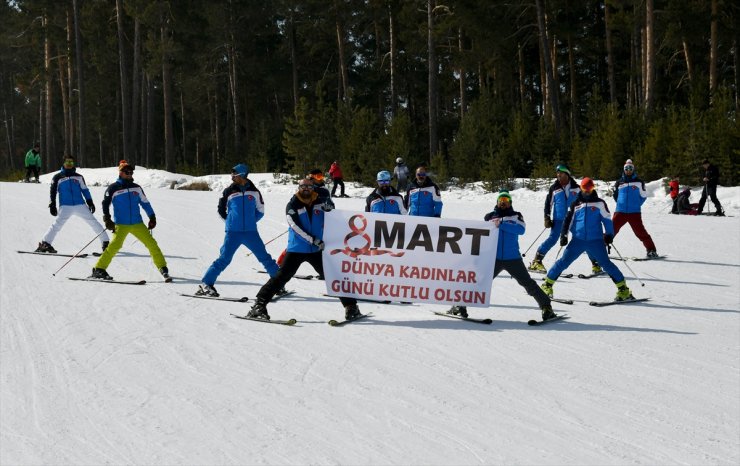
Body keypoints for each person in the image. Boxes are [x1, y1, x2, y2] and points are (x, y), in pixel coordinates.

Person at [246, 178, 361, 320]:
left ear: (313, 188)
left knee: (334, 277)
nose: (306, 188)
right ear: (298, 188)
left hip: (316, 250)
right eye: (303, 186)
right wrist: (314, 240)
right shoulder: (292, 205)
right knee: (281, 277)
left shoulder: (319, 202)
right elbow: (295, 227)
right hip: (297, 249)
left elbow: (333, 218)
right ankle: (259, 305)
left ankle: (351, 307)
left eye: (309, 186)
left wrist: (331, 210)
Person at [448, 191, 555, 322]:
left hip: (513, 258)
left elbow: (521, 230)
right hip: (494, 258)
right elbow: (482, 233)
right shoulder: (489, 216)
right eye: (500, 200)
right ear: (497, 202)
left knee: (528, 283)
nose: (503, 202)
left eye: (506, 199)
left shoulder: (516, 216)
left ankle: (546, 307)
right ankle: (459, 305)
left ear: (510, 202)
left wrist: (502, 224)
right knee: (479, 282)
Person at [541, 177, 633, 302]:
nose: (587, 191)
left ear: (593, 188)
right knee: (563, 262)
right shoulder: (575, 204)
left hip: (596, 241)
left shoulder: (600, 203)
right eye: (585, 188)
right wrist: (564, 235)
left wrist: (609, 234)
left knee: (606, 264)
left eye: (590, 188)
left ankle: (624, 290)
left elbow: (607, 219)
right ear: (581, 188)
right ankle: (547, 285)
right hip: (577, 241)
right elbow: (568, 221)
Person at [196, 164, 281, 297]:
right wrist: (231, 222)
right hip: (233, 233)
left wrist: (250, 222)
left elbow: (260, 210)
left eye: (234, 174)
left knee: (265, 258)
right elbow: (220, 210)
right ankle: (206, 284)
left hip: (251, 232)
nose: (231, 176)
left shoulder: (254, 191)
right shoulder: (228, 191)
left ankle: (278, 285)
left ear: (242, 174)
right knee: (224, 259)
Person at [90, 161, 169, 280]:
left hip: (138, 223)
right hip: (121, 224)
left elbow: (145, 203)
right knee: (114, 246)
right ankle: (99, 269)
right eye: (127, 172)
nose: (130, 174)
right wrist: (107, 218)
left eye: (131, 172)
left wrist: (152, 217)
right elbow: (105, 204)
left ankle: (163, 268)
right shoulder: (113, 188)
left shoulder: (136, 188)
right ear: (121, 173)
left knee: (152, 244)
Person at [529, 164, 599, 274]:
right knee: (552, 239)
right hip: (559, 219)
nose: (558, 175)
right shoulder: (554, 188)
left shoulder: (577, 187)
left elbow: (585, 200)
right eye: (557, 173)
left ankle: (596, 264)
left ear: (567, 174)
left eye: (560, 173)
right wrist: (547, 217)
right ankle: (537, 261)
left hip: (574, 219)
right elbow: (548, 204)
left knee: (583, 239)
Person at [34, 155, 110, 254]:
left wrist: (90, 201)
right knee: (57, 225)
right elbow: (53, 192)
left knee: (93, 222)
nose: (69, 164)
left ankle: (106, 242)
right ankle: (45, 244)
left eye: (71, 162)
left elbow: (85, 190)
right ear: (63, 163)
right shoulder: (57, 177)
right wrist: (52, 204)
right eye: (67, 162)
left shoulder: (78, 177)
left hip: (80, 205)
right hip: (65, 206)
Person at [612, 159, 658, 258]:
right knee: (611, 230)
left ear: (633, 169)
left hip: (634, 212)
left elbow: (644, 195)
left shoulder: (639, 182)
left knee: (640, 232)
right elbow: (615, 195)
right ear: (624, 169)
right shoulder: (619, 182)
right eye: (626, 168)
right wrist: (620, 204)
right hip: (620, 212)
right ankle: (599, 249)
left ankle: (651, 250)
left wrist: (636, 204)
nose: (628, 170)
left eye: (630, 168)